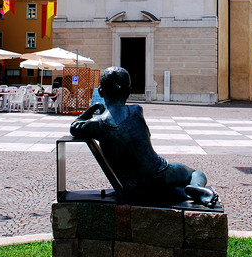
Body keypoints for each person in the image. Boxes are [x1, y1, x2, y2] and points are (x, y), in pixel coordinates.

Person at [70, 66, 218, 207]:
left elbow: (74, 126)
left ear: (101, 92)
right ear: (129, 91)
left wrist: (94, 107)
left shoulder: (97, 124)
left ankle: (184, 192)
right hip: (160, 172)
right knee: (196, 173)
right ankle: (195, 188)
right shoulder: (136, 111)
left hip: (132, 186)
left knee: (154, 186)